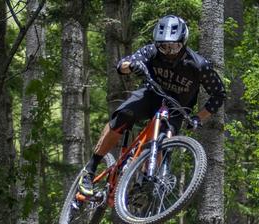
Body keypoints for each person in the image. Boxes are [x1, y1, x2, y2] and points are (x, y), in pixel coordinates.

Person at [78, 14, 226, 196]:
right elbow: (122, 64)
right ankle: (90, 168)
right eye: (164, 47)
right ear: (157, 44)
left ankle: (141, 185)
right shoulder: (151, 52)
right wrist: (132, 66)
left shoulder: (199, 65)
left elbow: (219, 93)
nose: (169, 52)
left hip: (176, 108)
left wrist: (198, 118)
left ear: (184, 43)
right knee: (123, 115)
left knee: (164, 140)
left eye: (175, 46)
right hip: (150, 95)